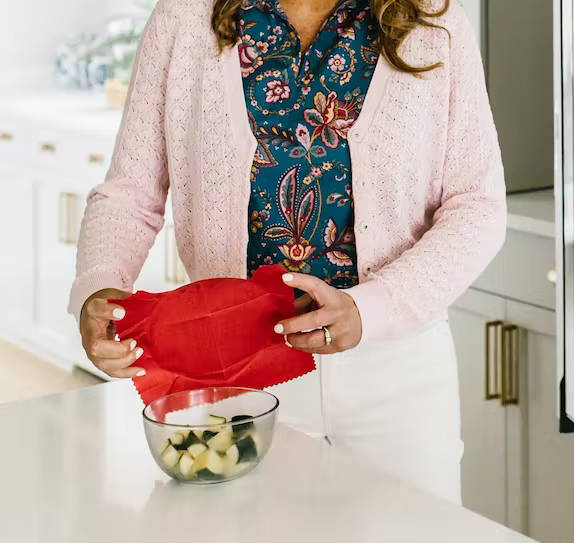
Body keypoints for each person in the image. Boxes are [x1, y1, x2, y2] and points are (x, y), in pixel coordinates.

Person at [69, 0, 505, 501]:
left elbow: (478, 206)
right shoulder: (183, 17)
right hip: (235, 368)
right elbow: (129, 193)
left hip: (396, 372)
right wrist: (99, 288)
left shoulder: (433, 21)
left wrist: (372, 309)